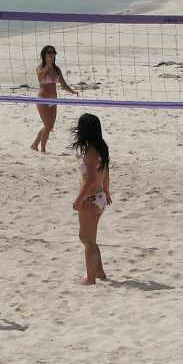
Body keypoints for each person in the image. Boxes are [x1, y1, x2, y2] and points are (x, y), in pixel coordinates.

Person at [71, 114, 112, 285]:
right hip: (100, 198)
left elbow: (91, 180)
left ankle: (90, 278)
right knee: (89, 238)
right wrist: (107, 191)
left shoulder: (91, 152)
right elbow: (106, 172)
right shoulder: (101, 148)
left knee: (87, 240)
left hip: (91, 199)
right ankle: (100, 271)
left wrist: (78, 200)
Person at [31, 45, 78, 153]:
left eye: (53, 53)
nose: (52, 55)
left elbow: (63, 84)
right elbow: (40, 77)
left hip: (54, 100)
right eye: (49, 53)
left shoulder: (57, 69)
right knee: (47, 126)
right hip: (43, 99)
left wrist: (72, 91)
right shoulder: (40, 68)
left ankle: (34, 145)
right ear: (44, 55)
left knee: (50, 126)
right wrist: (48, 65)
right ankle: (42, 149)